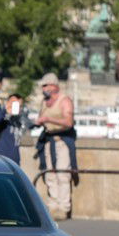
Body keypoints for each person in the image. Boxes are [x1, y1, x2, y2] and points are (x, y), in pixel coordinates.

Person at [34, 73, 78, 220]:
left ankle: (63, 208)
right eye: (43, 86)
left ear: (54, 86)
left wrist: (48, 119)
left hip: (62, 140)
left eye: (46, 85)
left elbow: (69, 122)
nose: (44, 88)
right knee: (50, 175)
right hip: (48, 140)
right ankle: (52, 207)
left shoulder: (64, 100)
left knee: (62, 174)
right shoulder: (44, 102)